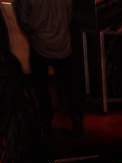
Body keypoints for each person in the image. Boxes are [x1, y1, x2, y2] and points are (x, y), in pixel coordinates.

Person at [14, 0, 85, 136]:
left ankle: (46, 121)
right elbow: (69, 15)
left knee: (41, 86)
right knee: (70, 85)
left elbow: (23, 15)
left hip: (39, 44)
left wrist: (34, 30)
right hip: (63, 45)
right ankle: (76, 117)